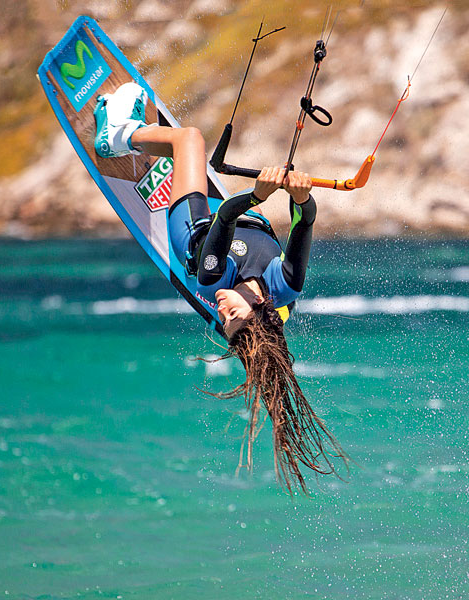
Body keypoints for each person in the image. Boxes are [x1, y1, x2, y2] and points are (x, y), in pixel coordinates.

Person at [94, 82, 346, 493]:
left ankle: (115, 135)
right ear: (263, 310)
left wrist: (255, 195)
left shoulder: (212, 282)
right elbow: (305, 224)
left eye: (220, 319)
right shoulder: (286, 287)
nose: (220, 309)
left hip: (195, 233)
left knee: (188, 140)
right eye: (231, 316)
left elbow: (225, 217)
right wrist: (301, 198)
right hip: (250, 231)